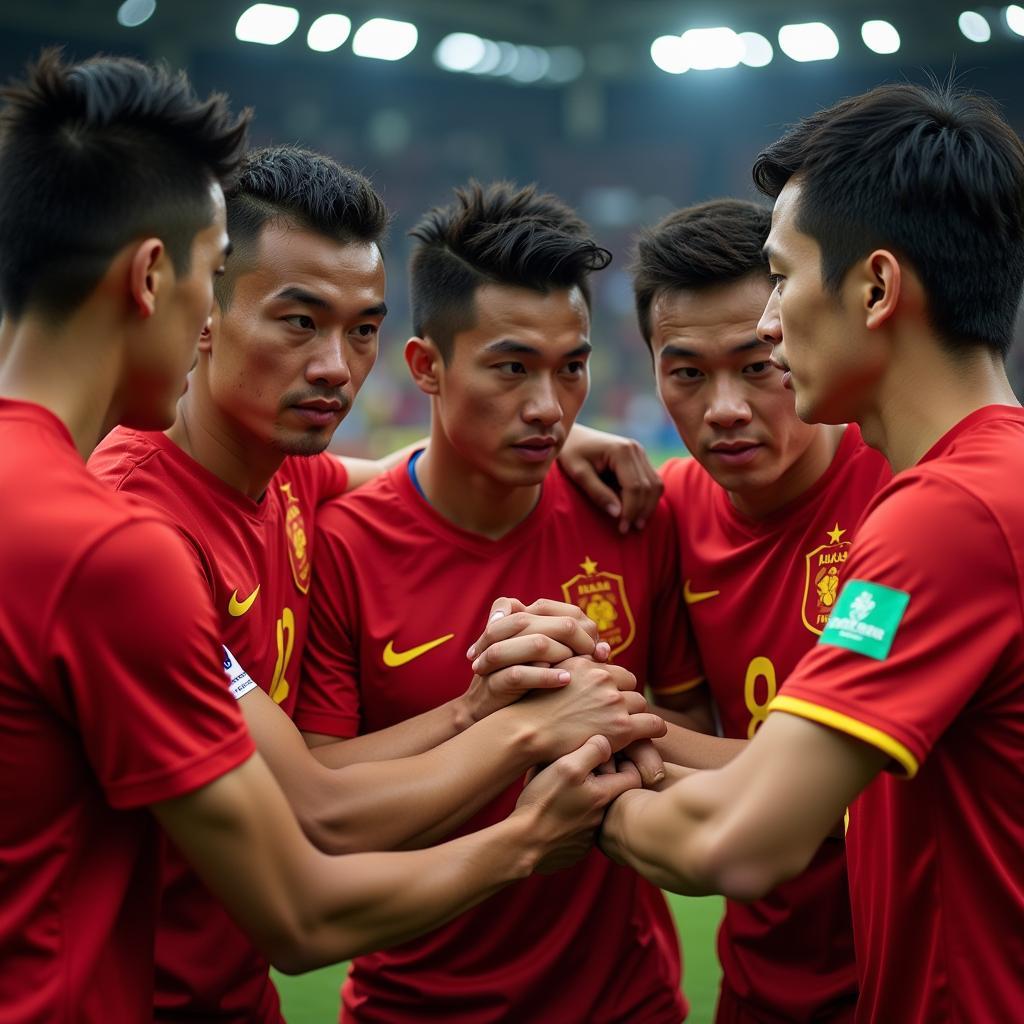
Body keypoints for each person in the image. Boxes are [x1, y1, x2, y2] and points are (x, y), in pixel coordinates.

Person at [0, 50, 648, 1024]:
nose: (337, 367)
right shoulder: (123, 538)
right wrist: (525, 784)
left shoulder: (282, 478)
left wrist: (542, 425)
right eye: (297, 320)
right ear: (175, 288)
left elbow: (395, 470)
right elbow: (302, 865)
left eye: (360, 331)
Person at [595, 82, 1024, 1023]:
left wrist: (562, 783)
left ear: (875, 288)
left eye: (782, 279)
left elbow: (740, 841)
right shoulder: (995, 480)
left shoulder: (947, 514)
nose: (776, 326)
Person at [295, 181, 694, 1024]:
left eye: (572, 367)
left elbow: (697, 735)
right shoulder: (342, 545)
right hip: (414, 1006)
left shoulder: (631, 515)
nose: (548, 408)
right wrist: (499, 719)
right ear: (426, 367)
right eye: (512, 367)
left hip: (627, 1003)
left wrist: (599, 703)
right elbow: (317, 792)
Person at [628, 197, 893, 1022]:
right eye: (686, 373)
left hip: (906, 983)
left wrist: (599, 728)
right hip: (754, 991)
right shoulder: (666, 510)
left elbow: (822, 795)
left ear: (800, 336)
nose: (725, 409)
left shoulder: (904, 500)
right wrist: (567, 440)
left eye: (757, 364)